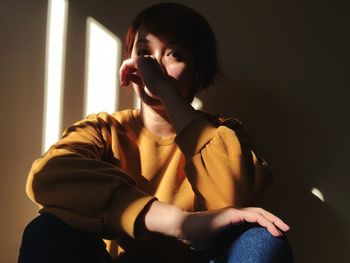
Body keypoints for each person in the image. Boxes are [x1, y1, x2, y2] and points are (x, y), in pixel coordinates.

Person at [19, 3, 293, 263]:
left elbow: (232, 195)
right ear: (130, 65)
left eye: (174, 54)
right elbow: (47, 176)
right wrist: (177, 223)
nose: (154, 65)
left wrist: (165, 89)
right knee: (47, 230)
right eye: (144, 53)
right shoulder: (104, 130)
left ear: (198, 71)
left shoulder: (223, 131)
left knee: (261, 239)